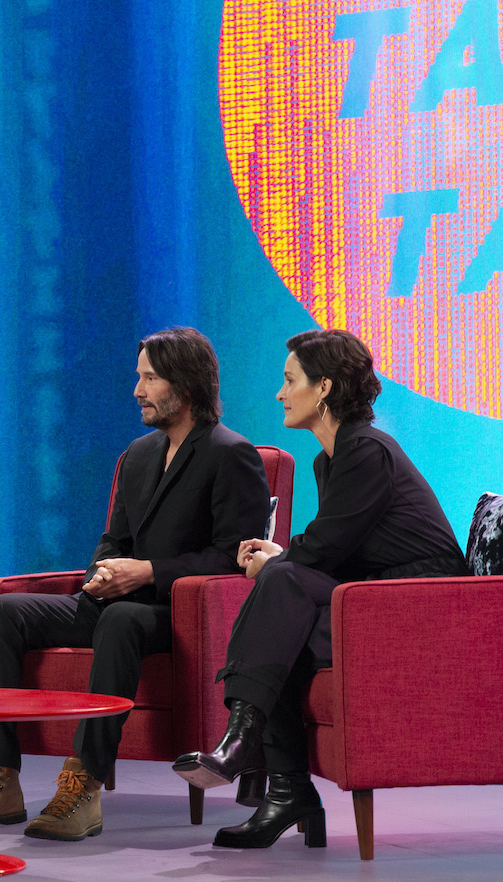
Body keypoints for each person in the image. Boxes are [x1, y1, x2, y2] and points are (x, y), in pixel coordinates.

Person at [0, 327, 273, 841]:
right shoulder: (137, 454)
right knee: (0, 612)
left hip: (174, 616)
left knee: (122, 618)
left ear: (184, 384)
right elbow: (113, 538)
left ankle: (84, 787)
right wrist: (104, 573)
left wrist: (150, 572)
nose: (137, 389)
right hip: (115, 600)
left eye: (150, 378)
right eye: (139, 377)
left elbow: (233, 557)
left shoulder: (231, 454)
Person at [173, 329, 467, 848]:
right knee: (283, 616)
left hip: (423, 600)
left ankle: (252, 754)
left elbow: (328, 546)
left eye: (290, 381)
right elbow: (337, 551)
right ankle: (283, 788)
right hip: (371, 594)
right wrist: (280, 560)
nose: (281, 394)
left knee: (282, 586)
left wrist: (278, 559)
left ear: (324, 386)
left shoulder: (365, 450)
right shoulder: (328, 458)